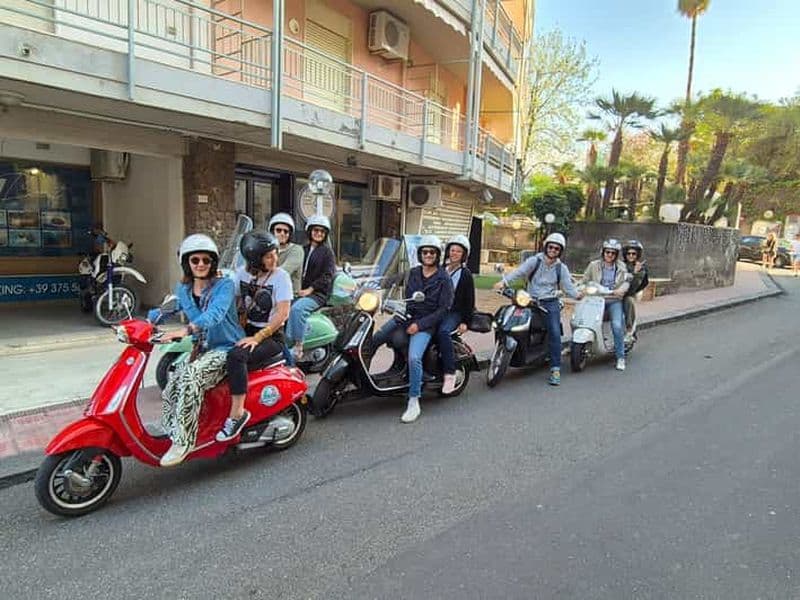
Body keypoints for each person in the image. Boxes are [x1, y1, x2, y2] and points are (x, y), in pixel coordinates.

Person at [158, 234, 244, 467]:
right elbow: (169, 307)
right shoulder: (184, 289)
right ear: (187, 263)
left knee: (191, 377)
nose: (201, 264)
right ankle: (171, 429)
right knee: (173, 382)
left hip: (226, 347)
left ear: (213, 262)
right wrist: (144, 323)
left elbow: (215, 314)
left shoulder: (224, 286)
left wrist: (187, 329)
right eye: (195, 260)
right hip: (202, 348)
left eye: (206, 260)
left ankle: (183, 442)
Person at [218, 231, 293, 442]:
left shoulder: (281, 277)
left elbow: (282, 314)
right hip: (246, 331)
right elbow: (232, 302)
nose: (274, 259)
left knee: (236, 357)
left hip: (272, 336)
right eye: (268, 256)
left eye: (275, 253)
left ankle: (237, 415)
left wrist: (257, 338)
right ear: (254, 260)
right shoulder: (241, 275)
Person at [370, 235, 453, 423]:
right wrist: (371, 284)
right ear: (420, 254)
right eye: (425, 252)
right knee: (376, 338)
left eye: (432, 252)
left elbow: (443, 310)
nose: (428, 255)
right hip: (406, 315)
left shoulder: (443, 278)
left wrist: (419, 325)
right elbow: (392, 280)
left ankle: (414, 400)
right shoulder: (413, 272)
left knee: (414, 357)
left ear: (437, 254)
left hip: (426, 323)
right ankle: (361, 376)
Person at [493, 232, 581, 386]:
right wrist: (504, 283)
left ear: (560, 251)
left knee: (554, 331)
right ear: (546, 247)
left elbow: (568, 287)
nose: (553, 250)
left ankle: (555, 369)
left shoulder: (561, 268)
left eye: (557, 248)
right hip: (529, 299)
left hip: (549, 302)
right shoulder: (535, 261)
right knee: (509, 317)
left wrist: (579, 295)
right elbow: (519, 272)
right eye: (551, 247)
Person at [286, 215, 336, 362]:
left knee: (297, 309)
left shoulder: (327, 252)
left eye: (322, 231)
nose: (319, 233)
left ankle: (298, 346)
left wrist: (311, 289)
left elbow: (327, 276)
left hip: (317, 294)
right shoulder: (303, 249)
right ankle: (282, 345)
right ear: (310, 231)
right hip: (300, 291)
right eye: (316, 230)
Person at [583, 239, 630, 372]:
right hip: (596, 300)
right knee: (583, 320)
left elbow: (626, 281)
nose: (609, 255)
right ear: (603, 252)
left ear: (616, 255)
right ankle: (576, 345)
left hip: (613, 300)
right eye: (607, 252)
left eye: (613, 253)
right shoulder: (593, 265)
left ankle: (620, 357)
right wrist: (580, 288)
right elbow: (585, 280)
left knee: (616, 325)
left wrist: (621, 290)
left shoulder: (621, 267)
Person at [438, 235, 475, 395]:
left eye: (458, 251)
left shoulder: (465, 274)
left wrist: (465, 322)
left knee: (443, 332)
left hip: (454, 313)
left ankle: (450, 372)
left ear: (464, 254)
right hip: (438, 311)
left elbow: (469, 300)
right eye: (452, 250)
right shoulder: (441, 269)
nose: (454, 253)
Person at [269, 213, 304, 294]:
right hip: (269, 292)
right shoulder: (268, 249)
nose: (282, 233)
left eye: (286, 231)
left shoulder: (296, 250)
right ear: (272, 232)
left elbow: (283, 272)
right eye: (278, 230)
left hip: (289, 295)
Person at [621, 239, 649, 342]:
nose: (631, 256)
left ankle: (630, 330)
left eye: (634, 254)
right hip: (615, 293)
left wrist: (635, 273)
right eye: (628, 253)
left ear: (638, 255)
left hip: (628, 293)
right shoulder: (620, 265)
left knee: (629, 301)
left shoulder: (641, 269)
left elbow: (633, 287)